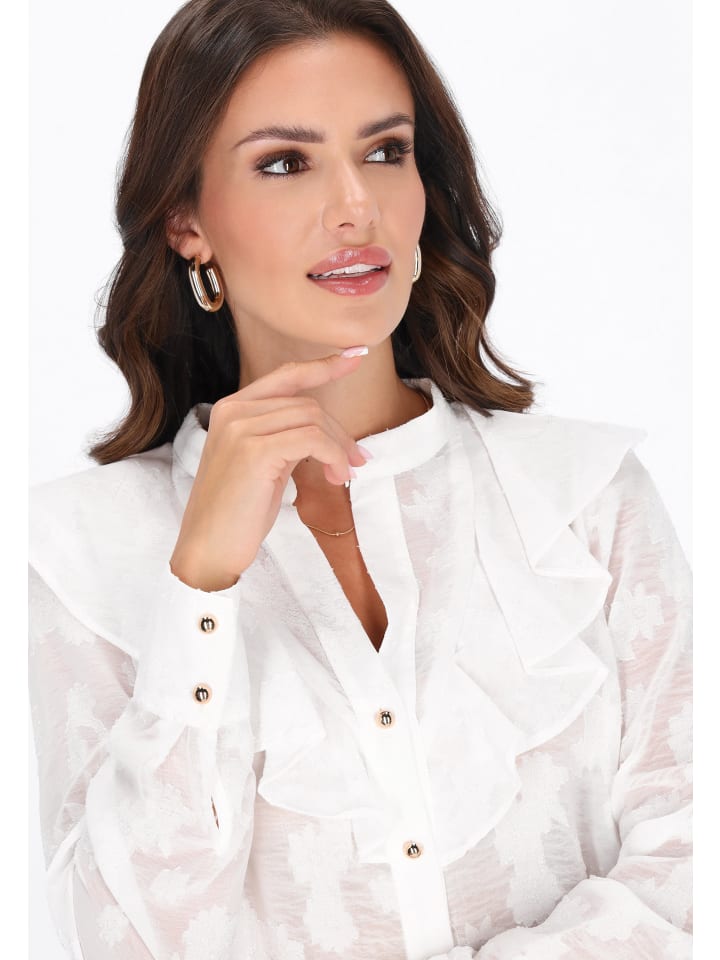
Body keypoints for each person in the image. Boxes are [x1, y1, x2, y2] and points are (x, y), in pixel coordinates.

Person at [28, 0, 692, 957]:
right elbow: (124, 936)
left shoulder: (585, 502)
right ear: (185, 220)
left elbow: (689, 872)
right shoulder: (84, 551)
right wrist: (202, 587)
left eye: (386, 151)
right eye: (284, 163)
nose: (355, 206)